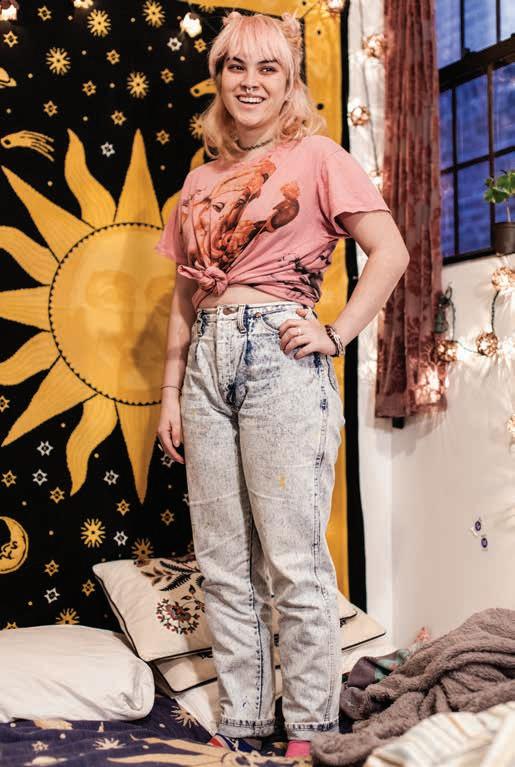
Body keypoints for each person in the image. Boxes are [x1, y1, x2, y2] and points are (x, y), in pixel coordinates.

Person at [156, 10, 409, 760]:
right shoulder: (199, 179)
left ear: (289, 81)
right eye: (236, 67)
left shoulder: (319, 156)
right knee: (222, 561)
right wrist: (170, 392)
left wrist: (335, 332)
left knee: (293, 560)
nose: (250, 82)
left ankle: (308, 726)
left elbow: (389, 251)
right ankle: (242, 720)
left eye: (267, 68)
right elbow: (183, 294)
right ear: (218, 78)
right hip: (205, 364)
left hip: (279, 357)